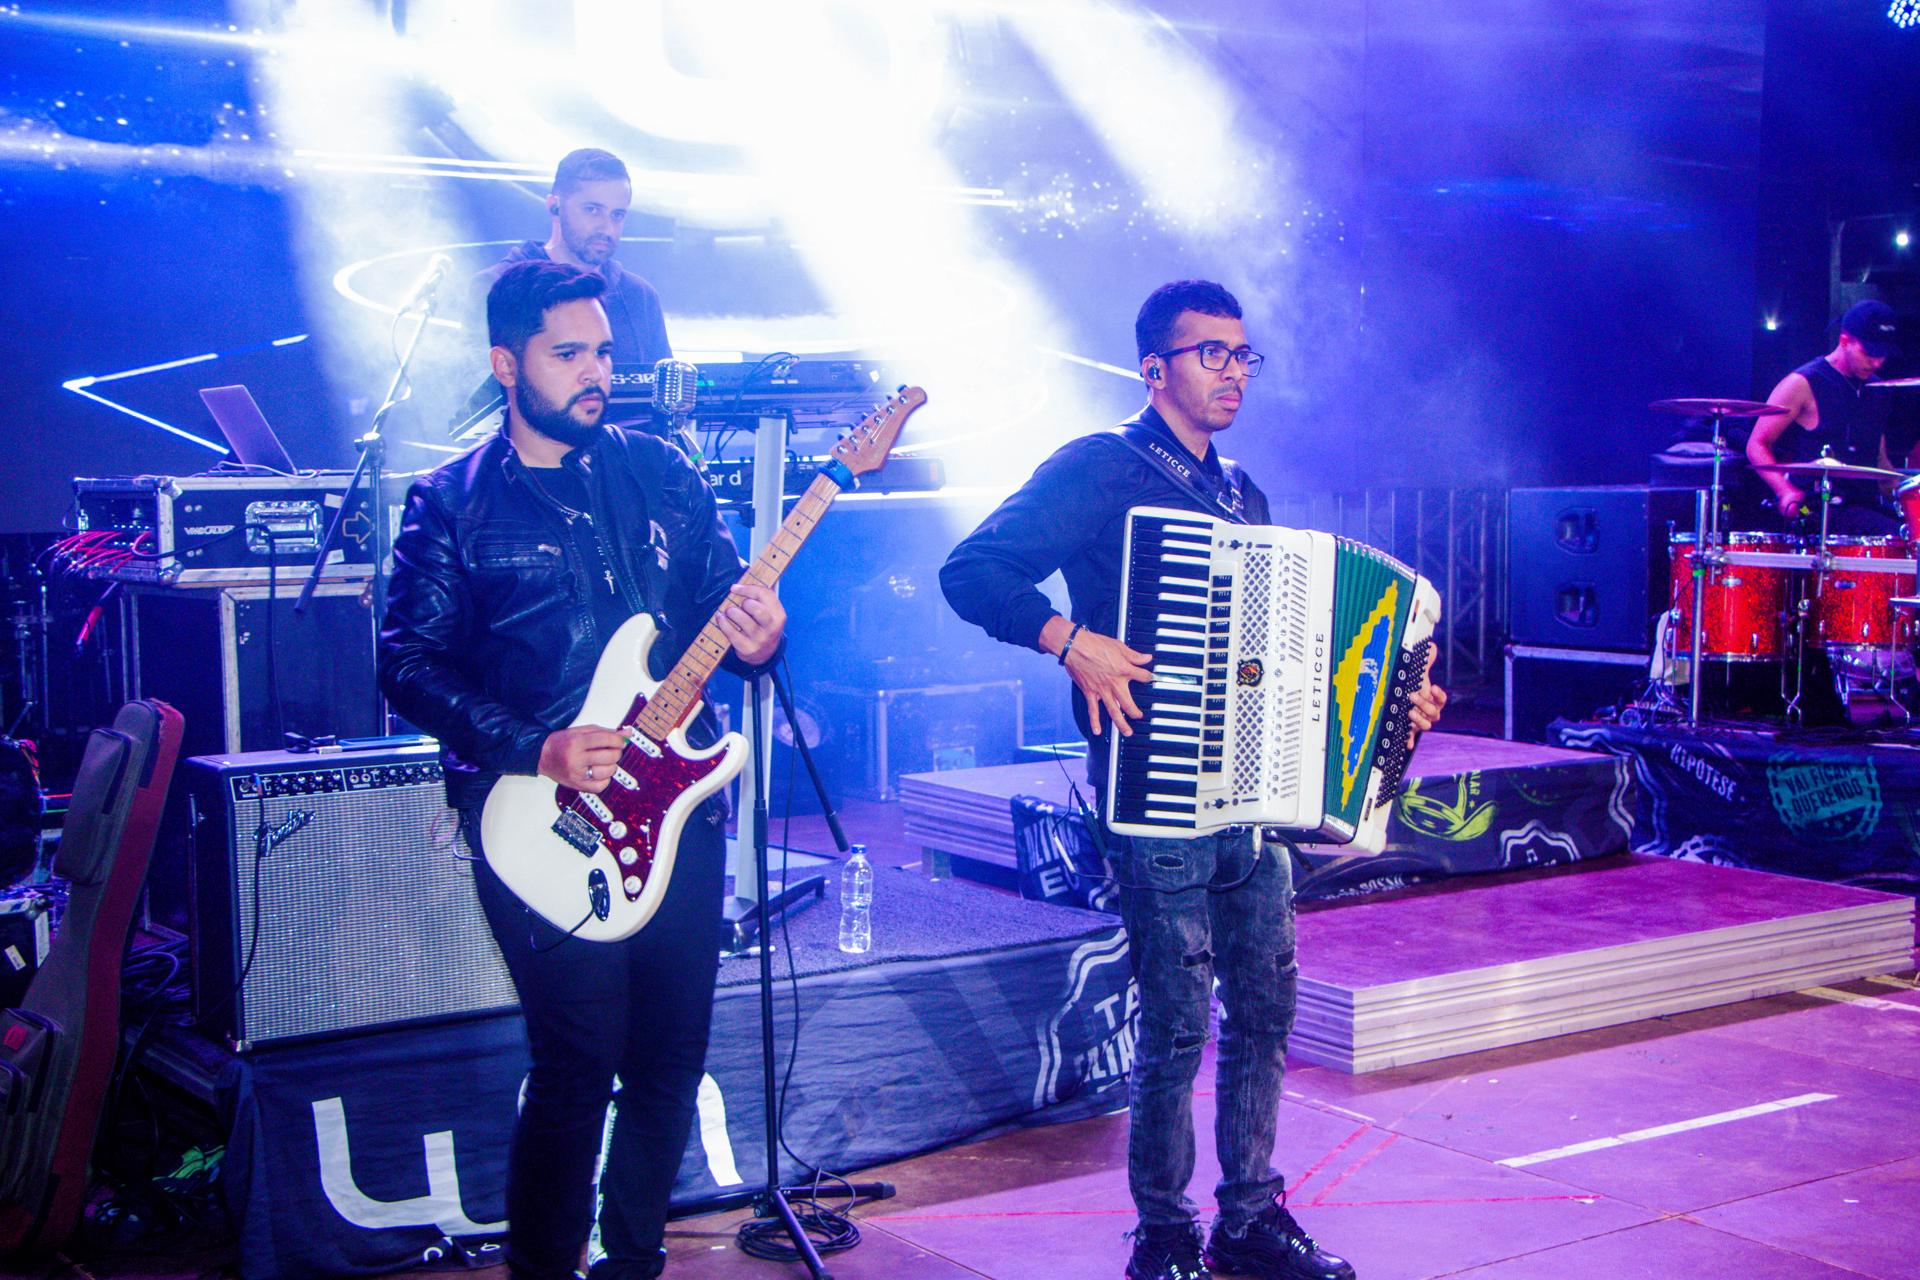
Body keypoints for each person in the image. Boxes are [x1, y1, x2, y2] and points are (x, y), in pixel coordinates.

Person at [941, 280, 1445, 1280]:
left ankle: (1249, 1219)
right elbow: (973, 570)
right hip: (1153, 787)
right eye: (1211, 352)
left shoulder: (1243, 494)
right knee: (1175, 1021)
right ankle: (1164, 1234)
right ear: (1153, 368)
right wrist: (1069, 638)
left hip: (1254, 798)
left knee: (1264, 1010)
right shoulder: (1100, 465)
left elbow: (1297, 662)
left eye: (1243, 354)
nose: (1233, 372)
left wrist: (1393, 705)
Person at [380, 259, 784, 1280]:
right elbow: (406, 663)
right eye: (569, 354)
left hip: (675, 805)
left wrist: (762, 636)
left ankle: (633, 1260)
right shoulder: (452, 502)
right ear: (506, 364)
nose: (595, 371)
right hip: (539, 814)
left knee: (669, 1057)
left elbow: (723, 606)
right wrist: (536, 745)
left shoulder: (662, 472)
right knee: (576, 1064)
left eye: (603, 351)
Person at [474, 147, 674, 369]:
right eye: (592, 210)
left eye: (617, 215)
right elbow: (470, 383)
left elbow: (663, 388)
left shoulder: (639, 296)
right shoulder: (494, 288)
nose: (607, 228)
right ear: (554, 207)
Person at [1747, 299, 1905, 534]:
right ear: (1845, 341)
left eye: (1883, 355)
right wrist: (1785, 490)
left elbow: (1879, 460)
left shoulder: (1878, 390)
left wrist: (1906, 494)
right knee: (1890, 535)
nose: (1877, 362)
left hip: (1866, 507)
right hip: (1820, 509)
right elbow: (1757, 443)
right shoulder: (1804, 382)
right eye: (1868, 353)